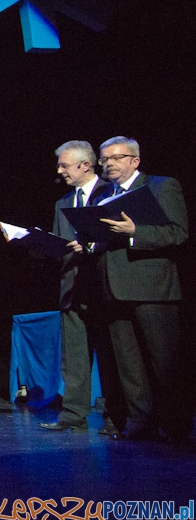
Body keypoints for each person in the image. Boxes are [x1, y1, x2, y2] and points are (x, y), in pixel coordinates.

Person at [95, 136, 189, 442]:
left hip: (153, 289)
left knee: (164, 363)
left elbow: (177, 232)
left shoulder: (162, 186)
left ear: (134, 160)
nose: (109, 163)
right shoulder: (104, 196)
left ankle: (175, 426)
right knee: (129, 364)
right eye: (104, 159)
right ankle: (141, 423)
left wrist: (136, 233)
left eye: (116, 157)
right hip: (115, 289)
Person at [39, 140, 122, 434]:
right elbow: (61, 247)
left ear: (85, 165)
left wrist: (90, 246)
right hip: (72, 286)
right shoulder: (62, 203)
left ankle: (116, 417)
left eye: (64, 165)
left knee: (111, 355)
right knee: (73, 357)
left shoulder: (110, 193)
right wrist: (36, 244)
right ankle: (73, 415)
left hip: (103, 286)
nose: (60, 170)